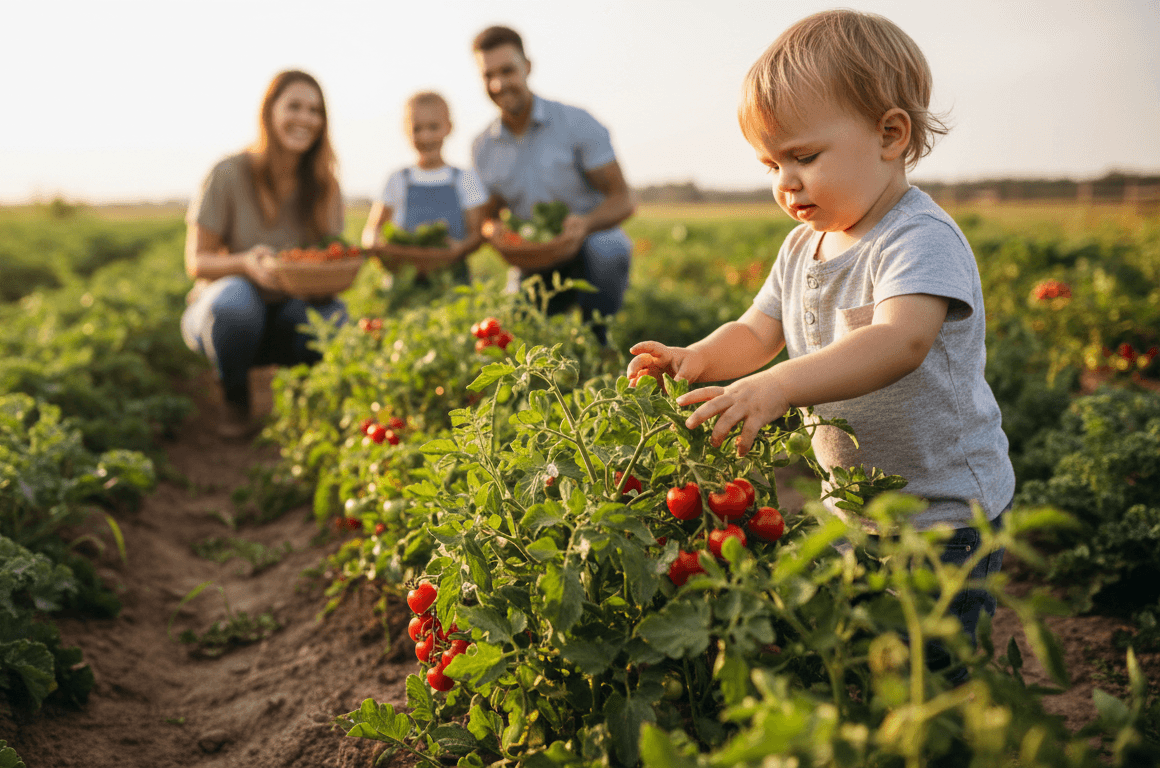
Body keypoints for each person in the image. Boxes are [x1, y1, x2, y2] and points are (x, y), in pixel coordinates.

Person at [626, 10, 1014, 682]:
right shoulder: (804, 245)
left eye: (804, 156)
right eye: (771, 163)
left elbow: (900, 342)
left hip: (945, 515)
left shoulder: (917, 239)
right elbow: (757, 330)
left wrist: (776, 386)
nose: (786, 180)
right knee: (868, 657)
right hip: (857, 512)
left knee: (929, 671)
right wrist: (698, 358)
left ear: (890, 135)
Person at [181, 70, 347, 439]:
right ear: (270, 112)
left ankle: (309, 405)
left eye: (315, 111)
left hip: (290, 312)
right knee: (235, 303)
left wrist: (323, 274)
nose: (305, 119)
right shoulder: (228, 173)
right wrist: (244, 263)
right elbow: (196, 261)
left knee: (335, 318)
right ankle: (234, 398)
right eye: (294, 107)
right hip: (224, 318)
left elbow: (332, 255)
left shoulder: (324, 184)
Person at [470, 25, 636, 334]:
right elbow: (485, 214)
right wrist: (492, 230)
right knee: (515, 331)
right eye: (488, 76)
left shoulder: (578, 123)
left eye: (508, 70)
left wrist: (584, 223)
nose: (499, 83)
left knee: (608, 249)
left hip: (588, 246)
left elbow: (623, 199)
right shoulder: (480, 148)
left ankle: (598, 337)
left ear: (528, 67)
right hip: (531, 259)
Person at [361, 91, 487, 283]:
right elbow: (372, 231)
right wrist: (379, 248)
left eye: (433, 127)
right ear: (405, 130)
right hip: (403, 282)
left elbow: (477, 233)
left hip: (452, 280)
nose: (426, 136)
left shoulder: (466, 178)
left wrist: (459, 249)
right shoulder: (397, 179)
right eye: (417, 129)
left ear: (449, 127)